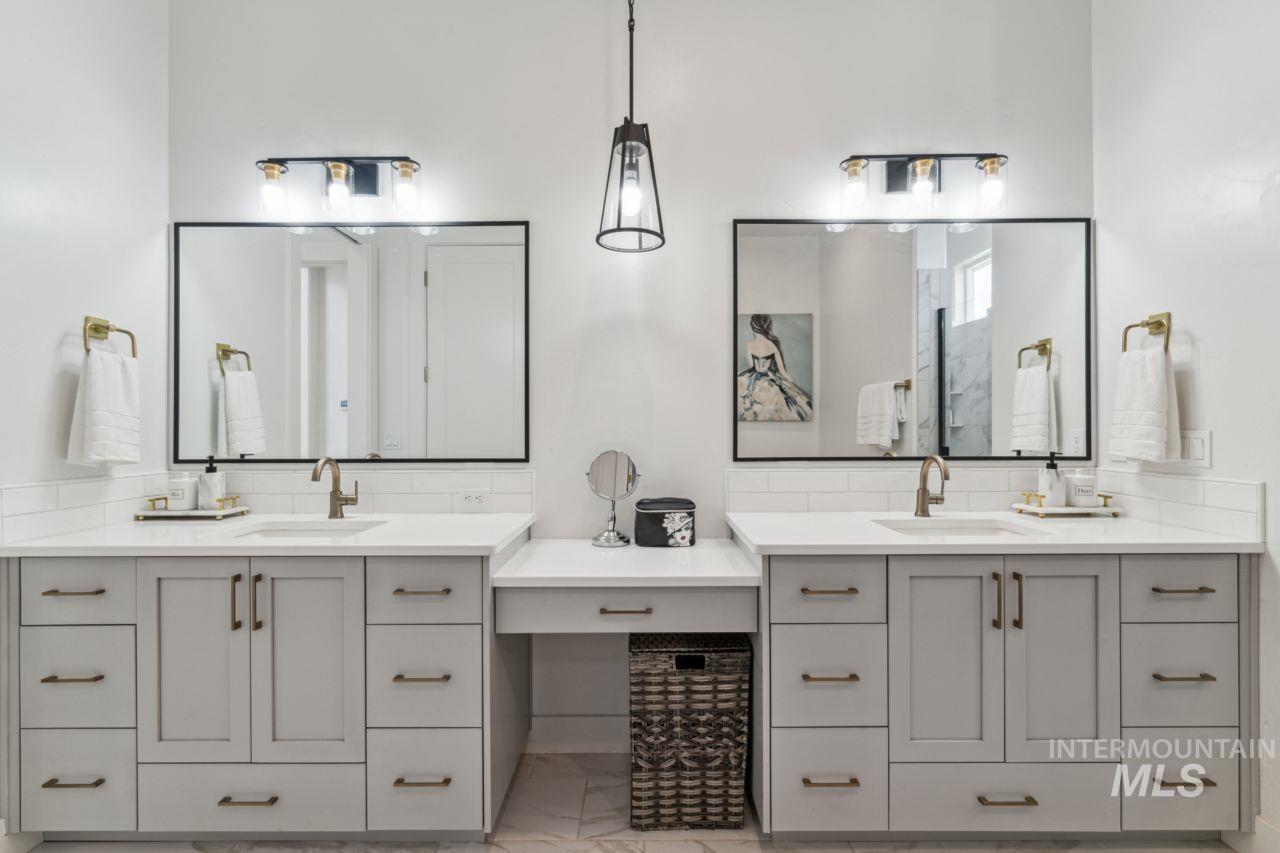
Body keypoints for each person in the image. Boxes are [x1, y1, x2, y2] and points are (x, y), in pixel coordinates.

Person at [737, 313, 813, 421]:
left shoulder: (750, 345)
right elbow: (783, 372)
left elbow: (752, 366)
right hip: (771, 380)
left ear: (753, 327)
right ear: (767, 326)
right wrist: (793, 387)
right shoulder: (772, 345)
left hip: (754, 380)